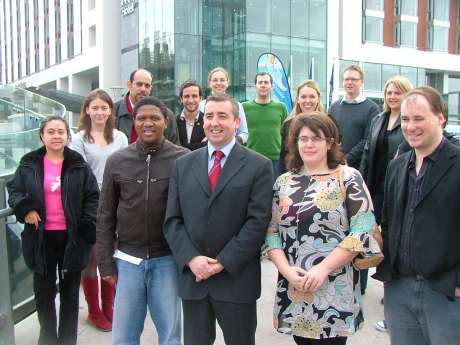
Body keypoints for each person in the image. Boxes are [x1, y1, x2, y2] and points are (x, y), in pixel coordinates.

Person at [164, 94, 273, 345]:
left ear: (236, 122)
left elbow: (257, 222)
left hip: (236, 280)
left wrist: (221, 262)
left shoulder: (259, 166)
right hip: (195, 280)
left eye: (222, 116)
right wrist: (192, 259)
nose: (214, 122)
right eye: (209, 116)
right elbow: (173, 220)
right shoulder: (183, 165)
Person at [266, 113, 381, 345]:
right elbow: (272, 233)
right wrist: (287, 271)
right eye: (303, 138)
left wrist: (323, 269)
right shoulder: (283, 182)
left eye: (316, 138)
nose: (309, 144)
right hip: (295, 288)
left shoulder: (348, 177)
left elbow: (362, 230)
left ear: (329, 142)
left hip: (334, 290)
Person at [96, 96, 188, 345]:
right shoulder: (117, 161)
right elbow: (105, 215)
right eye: (142, 118)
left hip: (167, 260)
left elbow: (191, 215)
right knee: (124, 337)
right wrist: (105, 262)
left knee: (170, 336)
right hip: (127, 261)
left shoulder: (183, 159)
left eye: (154, 118)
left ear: (165, 121)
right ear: (134, 122)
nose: (148, 123)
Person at [373, 86, 460, 345]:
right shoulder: (397, 166)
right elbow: (388, 222)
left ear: (440, 117)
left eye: (419, 118)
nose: (410, 126)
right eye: (406, 119)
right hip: (399, 289)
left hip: (445, 292)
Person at [7, 116, 99, 345]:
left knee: (70, 295)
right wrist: (25, 208)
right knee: (44, 294)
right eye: (51, 132)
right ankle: (47, 338)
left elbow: (92, 197)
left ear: (68, 135)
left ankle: (67, 340)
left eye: (61, 131)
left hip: (72, 239)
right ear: (42, 136)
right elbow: (15, 190)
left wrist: (88, 225)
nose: (56, 136)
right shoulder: (29, 163)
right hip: (40, 238)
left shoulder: (78, 164)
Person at [71, 89, 128, 331]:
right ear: (87, 110)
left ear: (110, 111)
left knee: (111, 256)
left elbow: (127, 168)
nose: (100, 112)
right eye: (95, 107)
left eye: (104, 107)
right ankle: (94, 310)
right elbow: (78, 175)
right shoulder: (79, 139)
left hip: (118, 203)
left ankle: (109, 307)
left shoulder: (120, 137)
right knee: (92, 258)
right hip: (91, 205)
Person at [358, 75, 413, 305]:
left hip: (399, 186)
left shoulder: (408, 123)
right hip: (375, 185)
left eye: (397, 93)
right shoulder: (379, 119)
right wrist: (360, 182)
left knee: (391, 235)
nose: (392, 97)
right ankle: (359, 280)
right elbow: (367, 151)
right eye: (389, 93)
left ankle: (391, 284)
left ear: (406, 95)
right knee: (365, 233)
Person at [328, 64, 380, 170]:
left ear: (361, 82)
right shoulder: (334, 107)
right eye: (346, 79)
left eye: (354, 79)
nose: (349, 82)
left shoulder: (372, 108)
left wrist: (347, 159)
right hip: (334, 164)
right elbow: (328, 135)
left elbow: (368, 139)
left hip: (359, 167)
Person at [114, 68, 180, 144]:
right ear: (129, 85)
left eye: (147, 86)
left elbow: (175, 149)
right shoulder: (113, 112)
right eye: (139, 84)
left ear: (151, 88)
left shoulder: (166, 115)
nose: (143, 89)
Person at [243, 72, 289, 179]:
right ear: (255, 86)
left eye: (266, 82)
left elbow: (286, 133)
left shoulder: (281, 107)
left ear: (271, 86)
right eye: (260, 82)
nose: (263, 85)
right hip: (251, 158)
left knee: (273, 193)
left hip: (275, 161)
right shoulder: (244, 107)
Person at [280, 80, 325, 173]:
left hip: (322, 174)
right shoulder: (288, 125)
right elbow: (284, 156)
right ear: (298, 99)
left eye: (312, 97)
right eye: (303, 97)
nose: (307, 101)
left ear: (318, 99)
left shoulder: (327, 124)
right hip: (294, 174)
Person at [198, 67, 249, 144]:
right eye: (215, 80)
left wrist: (231, 142)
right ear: (209, 83)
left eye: (222, 80)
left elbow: (244, 133)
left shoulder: (237, 105)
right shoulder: (201, 105)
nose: (218, 83)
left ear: (227, 83)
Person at [176, 80, 207, 150]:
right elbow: (172, 148)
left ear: (200, 98)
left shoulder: (207, 121)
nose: (190, 100)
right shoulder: (174, 122)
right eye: (186, 96)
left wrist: (182, 146)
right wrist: (200, 145)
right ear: (181, 99)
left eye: (194, 96)